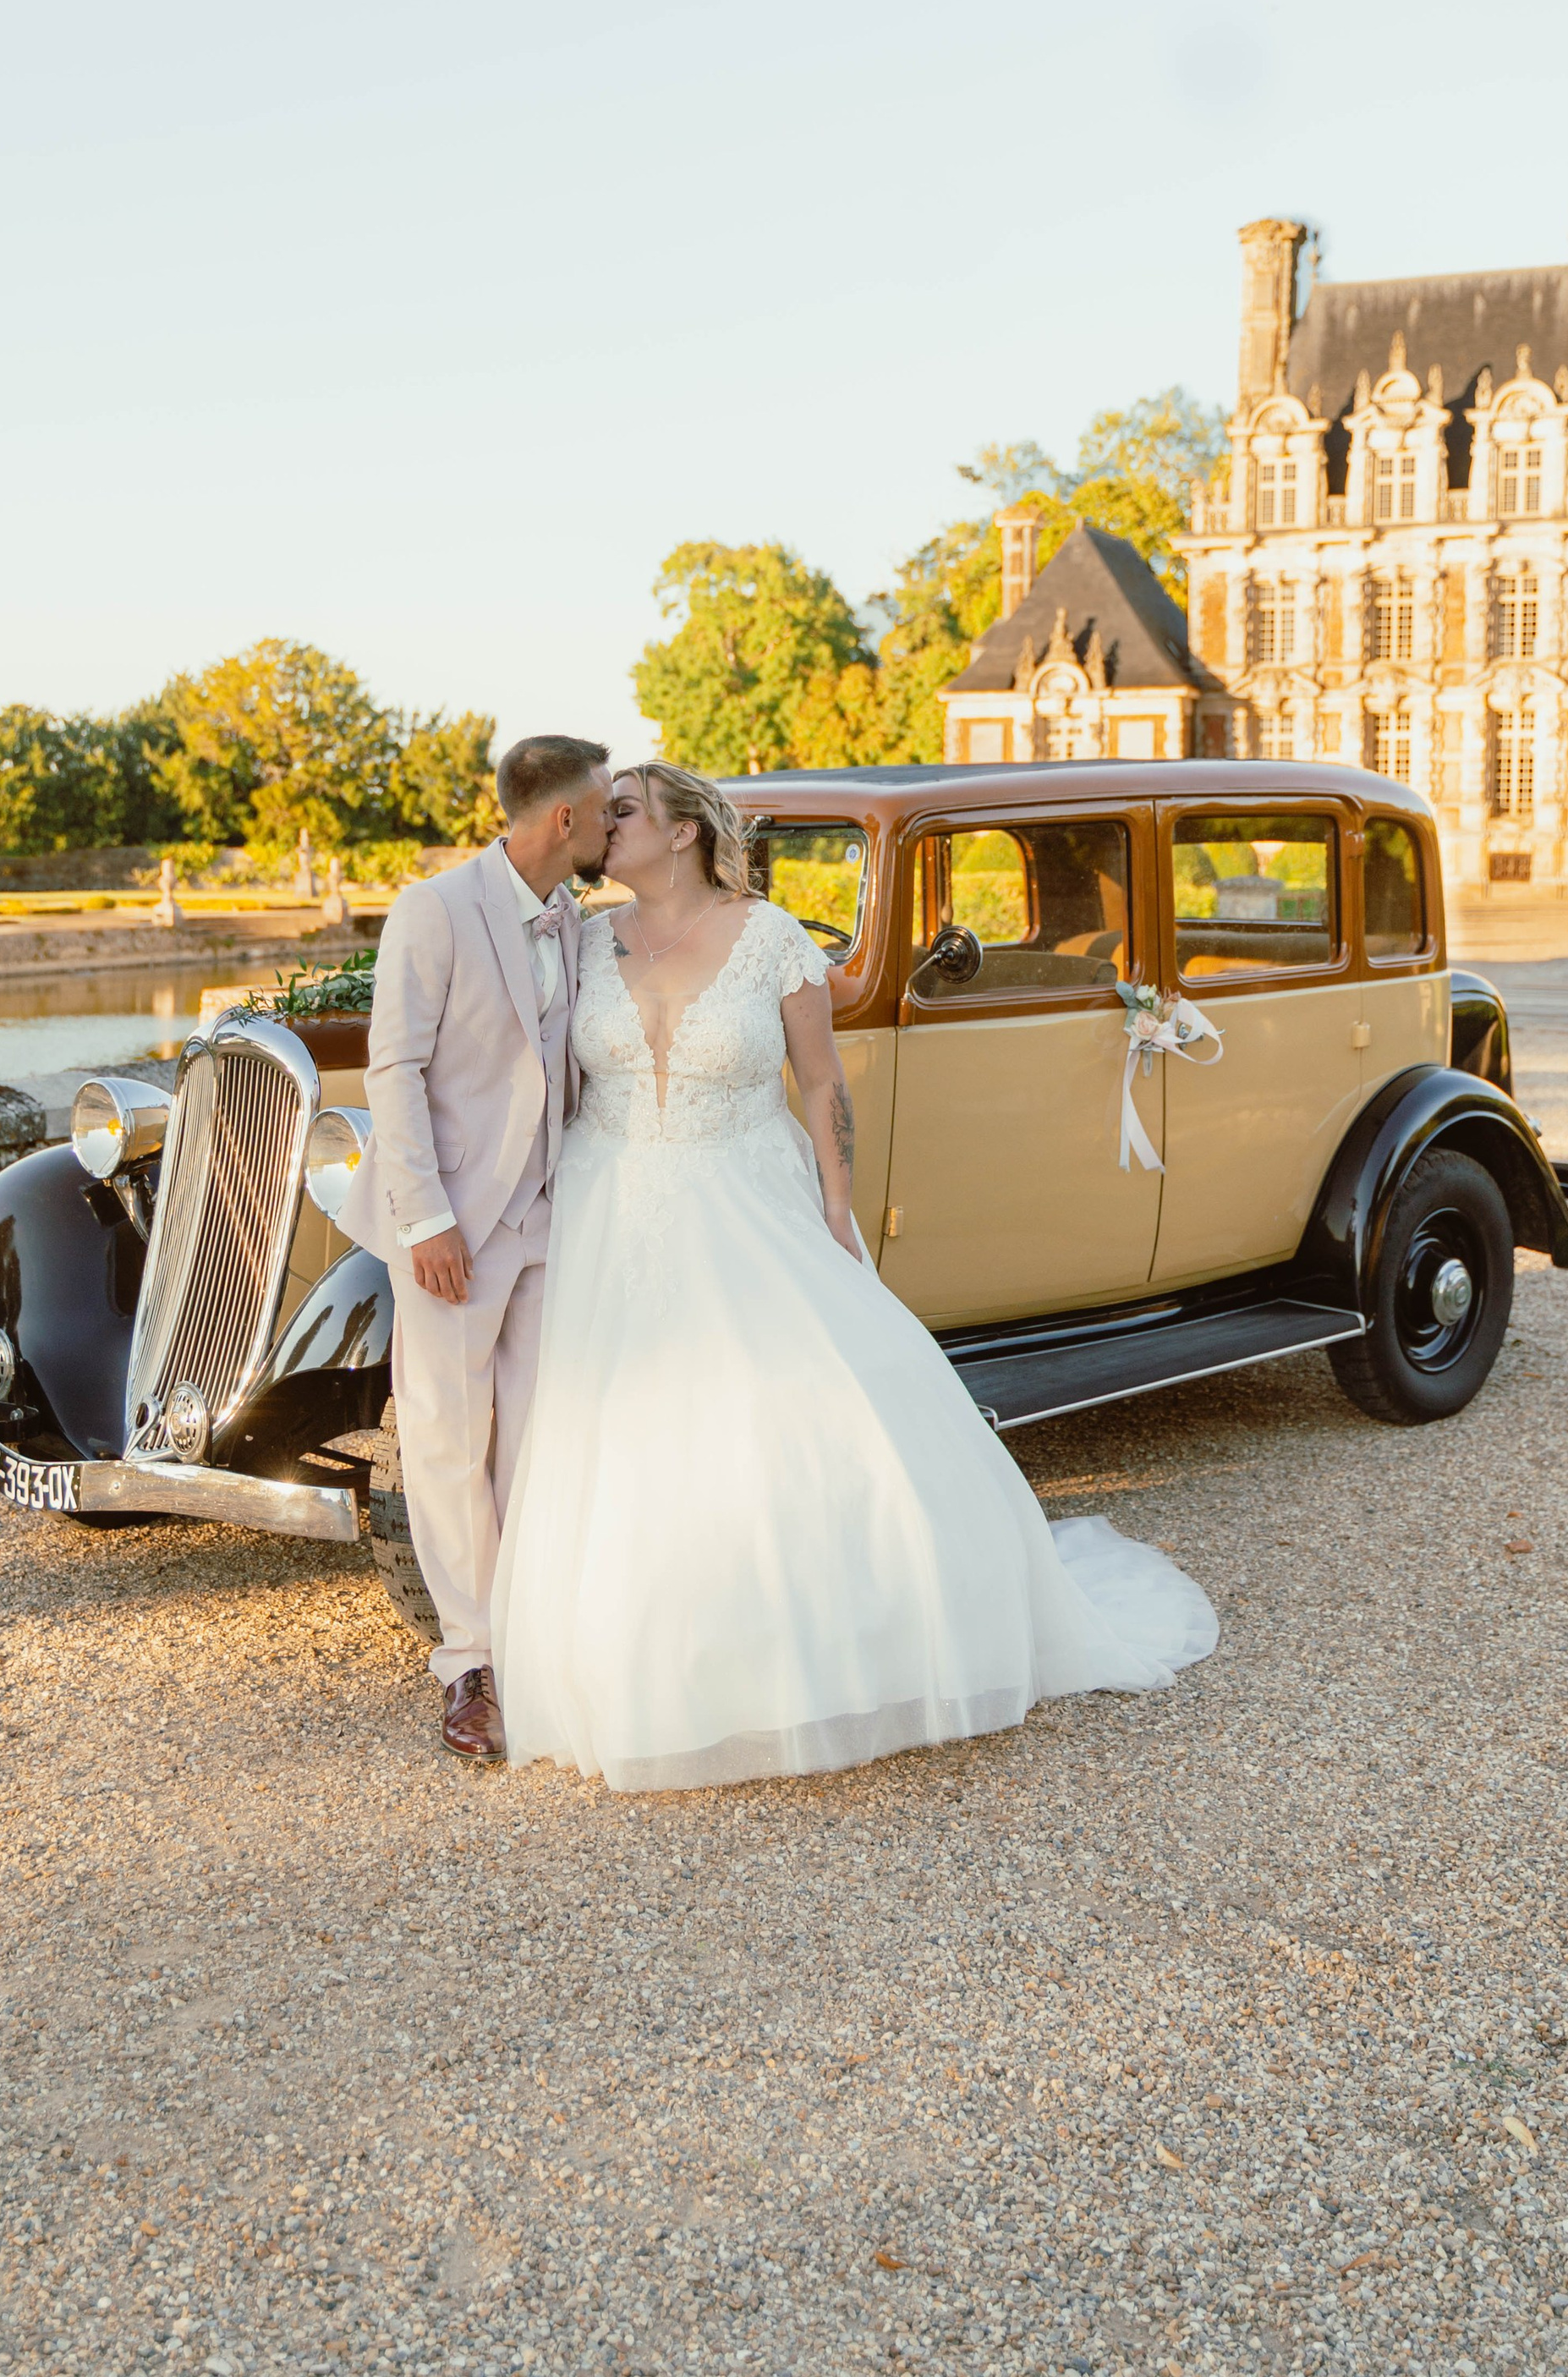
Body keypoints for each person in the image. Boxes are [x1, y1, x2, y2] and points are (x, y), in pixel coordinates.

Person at [491, 760, 1217, 1792]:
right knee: (621, 1435)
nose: (600, 825)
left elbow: (822, 1079)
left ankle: (832, 1657)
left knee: (789, 1417)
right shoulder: (579, 937)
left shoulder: (771, 938)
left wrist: (835, 1209)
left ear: (683, 833)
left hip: (743, 1191)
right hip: (610, 1205)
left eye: (623, 811)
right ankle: (636, 1666)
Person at [340, 735, 615, 1759]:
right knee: (449, 1447)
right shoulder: (434, 909)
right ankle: (473, 1663)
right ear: (562, 821)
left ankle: (538, 1632)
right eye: (603, 808)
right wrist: (426, 1221)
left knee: (536, 1436)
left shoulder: (578, 921)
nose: (611, 823)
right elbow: (393, 1070)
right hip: (453, 1229)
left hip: (550, 1215)